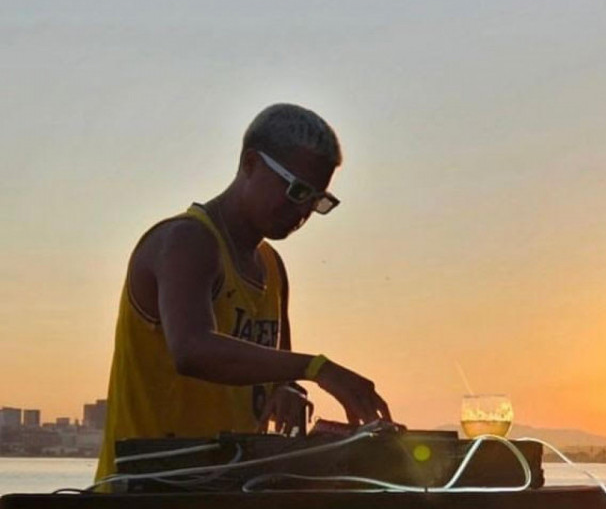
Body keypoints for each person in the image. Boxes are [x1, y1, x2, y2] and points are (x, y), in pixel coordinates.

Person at [96, 104, 392, 481]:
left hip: (221, 491)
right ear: (251, 163)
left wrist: (288, 391)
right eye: (297, 190)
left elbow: (277, 368)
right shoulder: (186, 241)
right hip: (142, 494)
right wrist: (318, 368)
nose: (303, 211)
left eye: (317, 200)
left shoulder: (271, 266)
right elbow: (192, 350)